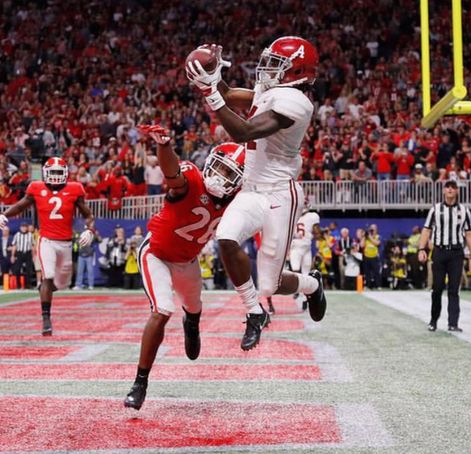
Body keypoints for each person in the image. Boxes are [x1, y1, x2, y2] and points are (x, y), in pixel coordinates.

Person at [186, 37, 326, 351]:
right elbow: (230, 95)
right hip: (251, 189)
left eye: (278, 64)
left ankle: (312, 284)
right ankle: (254, 312)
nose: (267, 68)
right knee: (225, 237)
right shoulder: (271, 92)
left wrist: (211, 94)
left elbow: (243, 132)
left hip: (279, 194)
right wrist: (209, 78)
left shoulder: (298, 103)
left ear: (298, 72)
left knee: (271, 284)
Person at [124, 125, 245, 411]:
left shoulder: (237, 202)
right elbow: (172, 173)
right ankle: (140, 382)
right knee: (162, 310)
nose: (220, 177)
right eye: (219, 168)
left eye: (229, 174)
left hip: (188, 261)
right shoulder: (192, 178)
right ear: (210, 162)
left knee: (194, 306)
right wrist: (165, 146)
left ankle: (191, 324)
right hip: (156, 253)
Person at [0, 157, 94, 335]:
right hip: (46, 240)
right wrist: (4, 214)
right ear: (45, 173)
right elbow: (21, 206)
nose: (56, 176)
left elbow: (87, 214)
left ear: (66, 173)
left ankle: (46, 289)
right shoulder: (36, 188)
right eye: (54, 172)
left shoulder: (74, 189)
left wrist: (89, 230)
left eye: (60, 172)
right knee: (48, 276)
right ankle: (46, 319)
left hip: (66, 243)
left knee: (62, 283)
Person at [418, 180, 471, 332]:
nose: (450, 190)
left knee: (454, 289)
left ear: (457, 191)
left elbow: (469, 234)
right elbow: (426, 230)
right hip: (439, 252)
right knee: (437, 288)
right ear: (443, 191)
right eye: (447, 187)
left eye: (453, 187)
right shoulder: (435, 209)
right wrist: (421, 248)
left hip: (456, 253)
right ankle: (433, 320)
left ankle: (453, 323)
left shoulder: (464, 211)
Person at [289, 205, 320, 310]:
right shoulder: (311, 216)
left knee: (299, 273)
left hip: (298, 247)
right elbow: (317, 234)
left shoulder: (292, 215)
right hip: (303, 246)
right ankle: (304, 297)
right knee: (303, 274)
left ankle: (301, 294)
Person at [73, 224, 101, 290]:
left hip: (89, 255)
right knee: (79, 271)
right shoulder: (80, 234)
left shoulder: (92, 235)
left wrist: (96, 235)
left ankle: (91, 285)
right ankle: (78, 285)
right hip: (81, 255)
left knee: (90, 271)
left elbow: (100, 240)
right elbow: (76, 242)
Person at [11, 222, 34, 288]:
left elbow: (33, 246)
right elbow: (14, 246)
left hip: (28, 253)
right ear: (20, 227)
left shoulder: (30, 235)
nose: (23, 228)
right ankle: (18, 284)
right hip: (19, 253)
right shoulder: (17, 235)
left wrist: (34, 255)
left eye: (25, 227)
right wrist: (13, 255)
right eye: (22, 227)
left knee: (29, 269)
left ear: (27, 228)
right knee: (17, 269)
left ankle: (28, 284)